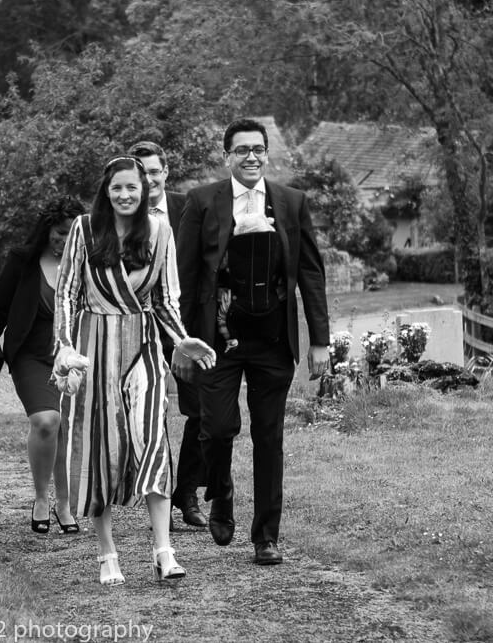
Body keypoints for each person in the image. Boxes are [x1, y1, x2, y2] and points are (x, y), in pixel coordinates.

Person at [53, 156, 215, 586]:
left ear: (145, 192)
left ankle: (164, 551)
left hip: (143, 347)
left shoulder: (161, 232)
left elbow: (165, 301)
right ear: (106, 190)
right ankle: (107, 553)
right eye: (118, 187)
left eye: (133, 188)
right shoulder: (84, 230)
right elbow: (67, 294)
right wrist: (66, 347)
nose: (125, 195)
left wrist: (181, 339)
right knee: (100, 448)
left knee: (153, 440)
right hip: (93, 347)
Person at [174, 117, 330, 565]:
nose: (251, 157)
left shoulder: (291, 202)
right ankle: (220, 493)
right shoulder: (202, 202)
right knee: (218, 428)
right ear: (228, 156)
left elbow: (310, 273)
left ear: (267, 153)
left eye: (258, 149)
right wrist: (182, 340)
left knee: (269, 435)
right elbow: (185, 277)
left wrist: (320, 341)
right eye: (242, 150)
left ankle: (266, 536)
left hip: (272, 338)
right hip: (215, 340)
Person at [0, 196, 86, 535]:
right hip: (31, 356)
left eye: (71, 233)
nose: (64, 240)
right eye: (58, 233)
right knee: (46, 421)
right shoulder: (22, 261)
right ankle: (41, 497)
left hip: (76, 356)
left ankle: (64, 504)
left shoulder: (89, 263)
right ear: (46, 230)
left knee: (67, 429)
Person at [128, 140, 208, 529]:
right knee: (151, 415)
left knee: (201, 411)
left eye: (154, 171)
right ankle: (160, 491)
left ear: (166, 173)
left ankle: (187, 492)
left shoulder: (188, 207)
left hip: (185, 328)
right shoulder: (119, 216)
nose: (148, 179)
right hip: (140, 330)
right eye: (139, 173)